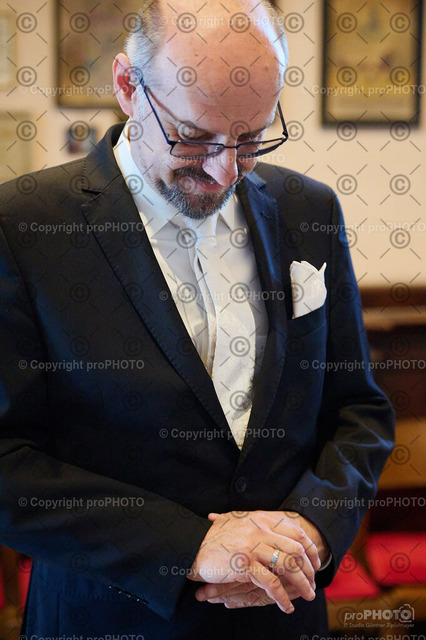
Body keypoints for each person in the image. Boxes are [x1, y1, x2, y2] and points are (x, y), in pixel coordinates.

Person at [0, 0, 394, 638]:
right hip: (109, 617)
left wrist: (314, 530)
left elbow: (358, 410)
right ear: (128, 87)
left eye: (251, 138)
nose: (224, 170)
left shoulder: (309, 210)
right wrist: (185, 545)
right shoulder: (22, 226)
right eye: (194, 136)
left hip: (285, 617)